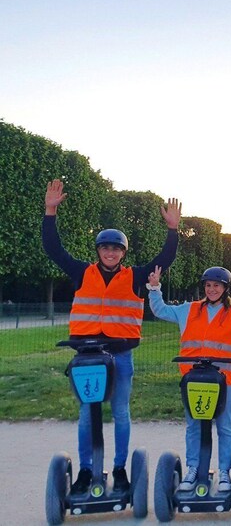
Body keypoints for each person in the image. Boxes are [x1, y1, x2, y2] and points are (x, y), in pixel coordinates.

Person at [42, 179, 181, 494]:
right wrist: (50, 212)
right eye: (105, 247)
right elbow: (54, 249)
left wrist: (172, 231)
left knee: (120, 411)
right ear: (99, 251)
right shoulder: (83, 272)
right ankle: (86, 470)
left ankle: (119, 468)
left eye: (116, 248)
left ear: (122, 253)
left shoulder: (134, 277)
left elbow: (165, 260)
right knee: (86, 416)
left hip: (120, 354)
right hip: (87, 354)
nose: (110, 252)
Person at [147, 265, 231, 491]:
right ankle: (193, 468)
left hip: (224, 380)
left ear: (225, 288)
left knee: (224, 426)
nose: (212, 289)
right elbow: (160, 310)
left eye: (216, 285)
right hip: (193, 378)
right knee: (193, 425)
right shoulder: (189, 309)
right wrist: (155, 289)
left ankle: (224, 471)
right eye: (208, 285)